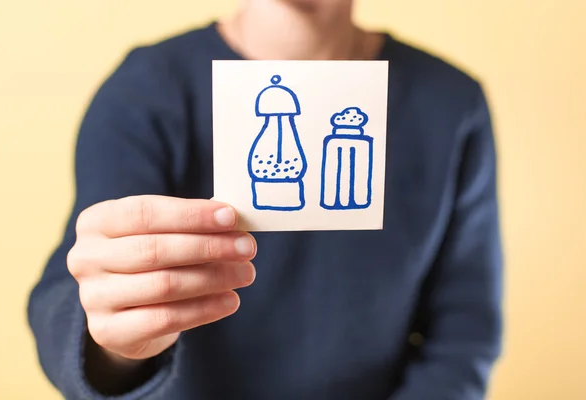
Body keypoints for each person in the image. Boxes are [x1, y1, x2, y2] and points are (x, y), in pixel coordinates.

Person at [27, 0, 504, 399]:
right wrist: (113, 342)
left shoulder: (451, 104)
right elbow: (73, 294)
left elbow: (465, 332)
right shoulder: (145, 91)